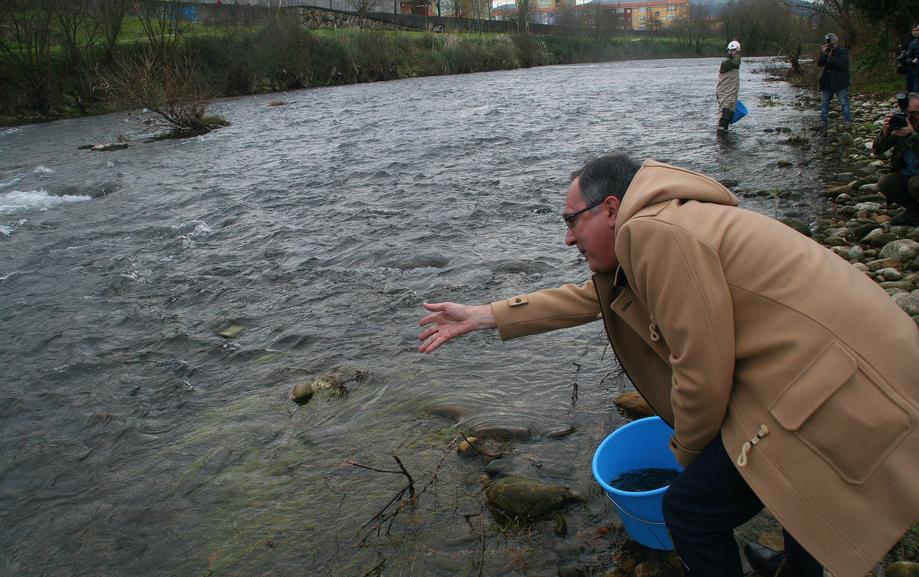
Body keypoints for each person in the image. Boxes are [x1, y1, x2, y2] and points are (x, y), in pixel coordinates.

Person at [417, 155, 919, 577]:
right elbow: (592, 299)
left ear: (610, 208)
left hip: (840, 384)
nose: (569, 238)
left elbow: (702, 369)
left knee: (690, 509)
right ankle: (801, 567)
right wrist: (484, 315)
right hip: (851, 362)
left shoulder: (655, 234)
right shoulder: (667, 220)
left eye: (572, 221)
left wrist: (688, 449)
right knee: (794, 481)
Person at [874, 92, 919, 225]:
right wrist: (886, 132)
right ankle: (914, 211)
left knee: (915, 184)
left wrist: (913, 135)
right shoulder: (901, 125)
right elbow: (877, 150)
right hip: (907, 175)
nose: (911, 117)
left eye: (915, 113)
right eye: (908, 114)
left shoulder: (910, 131)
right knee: (886, 182)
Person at [817, 32, 852, 127]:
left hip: (840, 81)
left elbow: (840, 64)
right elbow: (820, 64)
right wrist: (823, 54)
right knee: (825, 103)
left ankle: (847, 121)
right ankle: (823, 121)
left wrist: (830, 56)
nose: (830, 45)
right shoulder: (826, 51)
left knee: (844, 102)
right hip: (827, 82)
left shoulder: (842, 51)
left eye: (831, 43)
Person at [716, 40, 742, 131]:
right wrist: (738, 53)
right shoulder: (726, 62)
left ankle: (725, 138)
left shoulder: (733, 61)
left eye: (734, 50)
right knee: (725, 113)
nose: (732, 52)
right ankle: (721, 135)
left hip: (732, 92)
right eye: (731, 50)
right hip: (724, 92)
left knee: (730, 113)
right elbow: (736, 62)